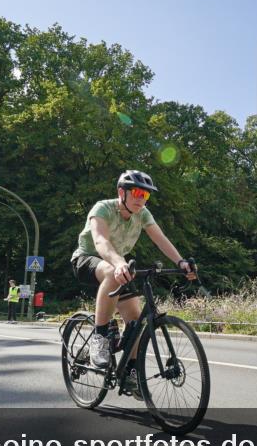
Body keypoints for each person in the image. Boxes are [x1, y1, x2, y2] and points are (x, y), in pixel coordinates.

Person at [70, 170, 196, 398]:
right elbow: (100, 241)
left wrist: (181, 262)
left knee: (137, 322)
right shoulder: (103, 208)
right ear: (122, 192)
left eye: (145, 195)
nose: (141, 199)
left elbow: (161, 239)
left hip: (118, 266)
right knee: (111, 271)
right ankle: (99, 337)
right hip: (87, 259)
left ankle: (129, 373)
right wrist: (118, 262)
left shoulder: (143, 213)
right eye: (137, 193)